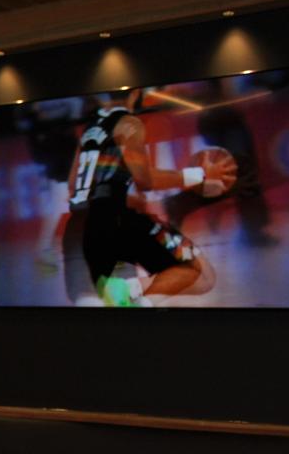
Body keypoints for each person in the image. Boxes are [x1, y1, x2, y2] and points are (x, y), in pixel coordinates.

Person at [69, 89, 238, 306]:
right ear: (137, 93)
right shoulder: (128, 123)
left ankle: (126, 291)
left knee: (195, 279)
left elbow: (74, 185)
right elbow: (145, 180)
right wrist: (201, 175)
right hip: (119, 221)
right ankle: (130, 294)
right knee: (201, 274)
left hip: (90, 232)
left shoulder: (89, 129)